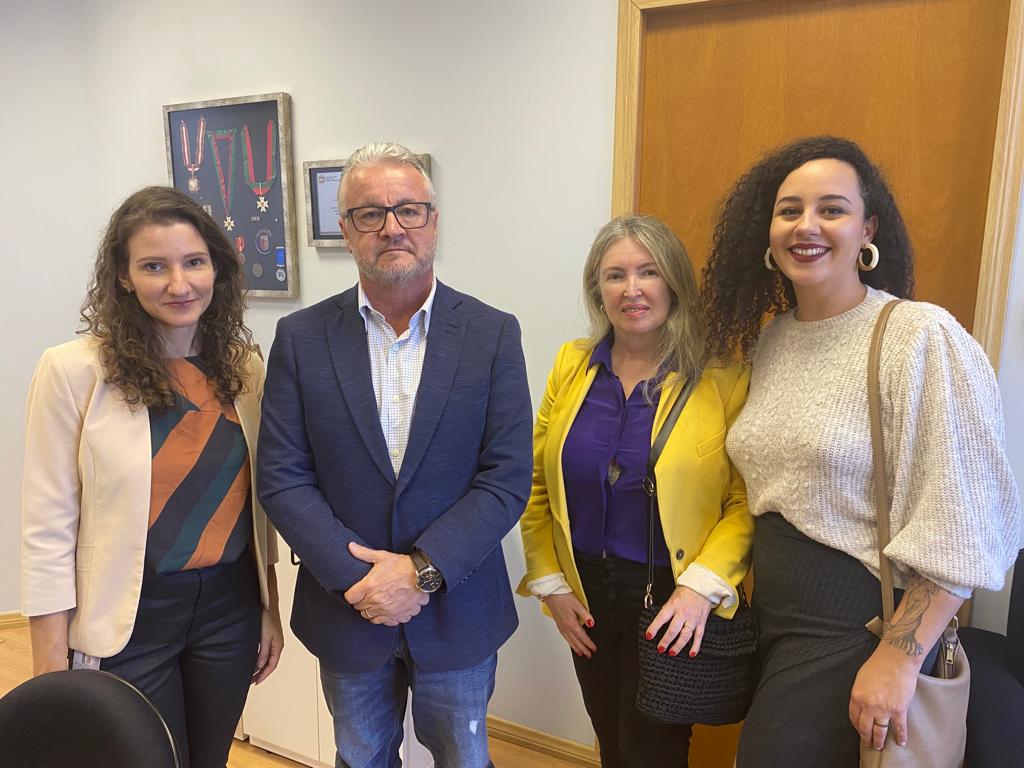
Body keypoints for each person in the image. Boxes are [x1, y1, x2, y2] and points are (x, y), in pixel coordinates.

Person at [701, 135, 1022, 767]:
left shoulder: (918, 336)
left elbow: (968, 526)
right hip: (773, 617)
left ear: (867, 229)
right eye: (789, 210)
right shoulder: (771, 342)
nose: (806, 226)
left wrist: (898, 657)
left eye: (832, 209)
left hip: (856, 626)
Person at [257, 142, 533, 768]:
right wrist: (361, 581)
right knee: (361, 757)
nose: (392, 227)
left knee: (464, 757)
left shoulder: (491, 334)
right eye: (369, 214)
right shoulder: (301, 338)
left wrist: (420, 572)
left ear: (433, 221)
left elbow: (506, 477)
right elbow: (283, 477)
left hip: (458, 606)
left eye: (409, 210)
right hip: (347, 608)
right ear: (346, 229)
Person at [21, 186, 284, 768]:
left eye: (194, 262)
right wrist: (50, 671)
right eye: (154, 266)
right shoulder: (72, 372)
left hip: (228, 611)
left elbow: (255, 504)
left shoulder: (243, 368)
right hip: (128, 616)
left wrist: (267, 606)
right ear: (123, 276)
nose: (179, 284)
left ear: (217, 268)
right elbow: (47, 528)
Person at [517, 214, 752, 767]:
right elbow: (536, 483)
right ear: (597, 289)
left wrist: (701, 589)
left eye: (649, 272)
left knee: (654, 753)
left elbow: (744, 501)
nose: (632, 289)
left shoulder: (723, 376)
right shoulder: (572, 364)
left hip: (672, 595)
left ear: (675, 282)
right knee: (613, 742)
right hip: (584, 593)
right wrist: (550, 585)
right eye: (615, 275)